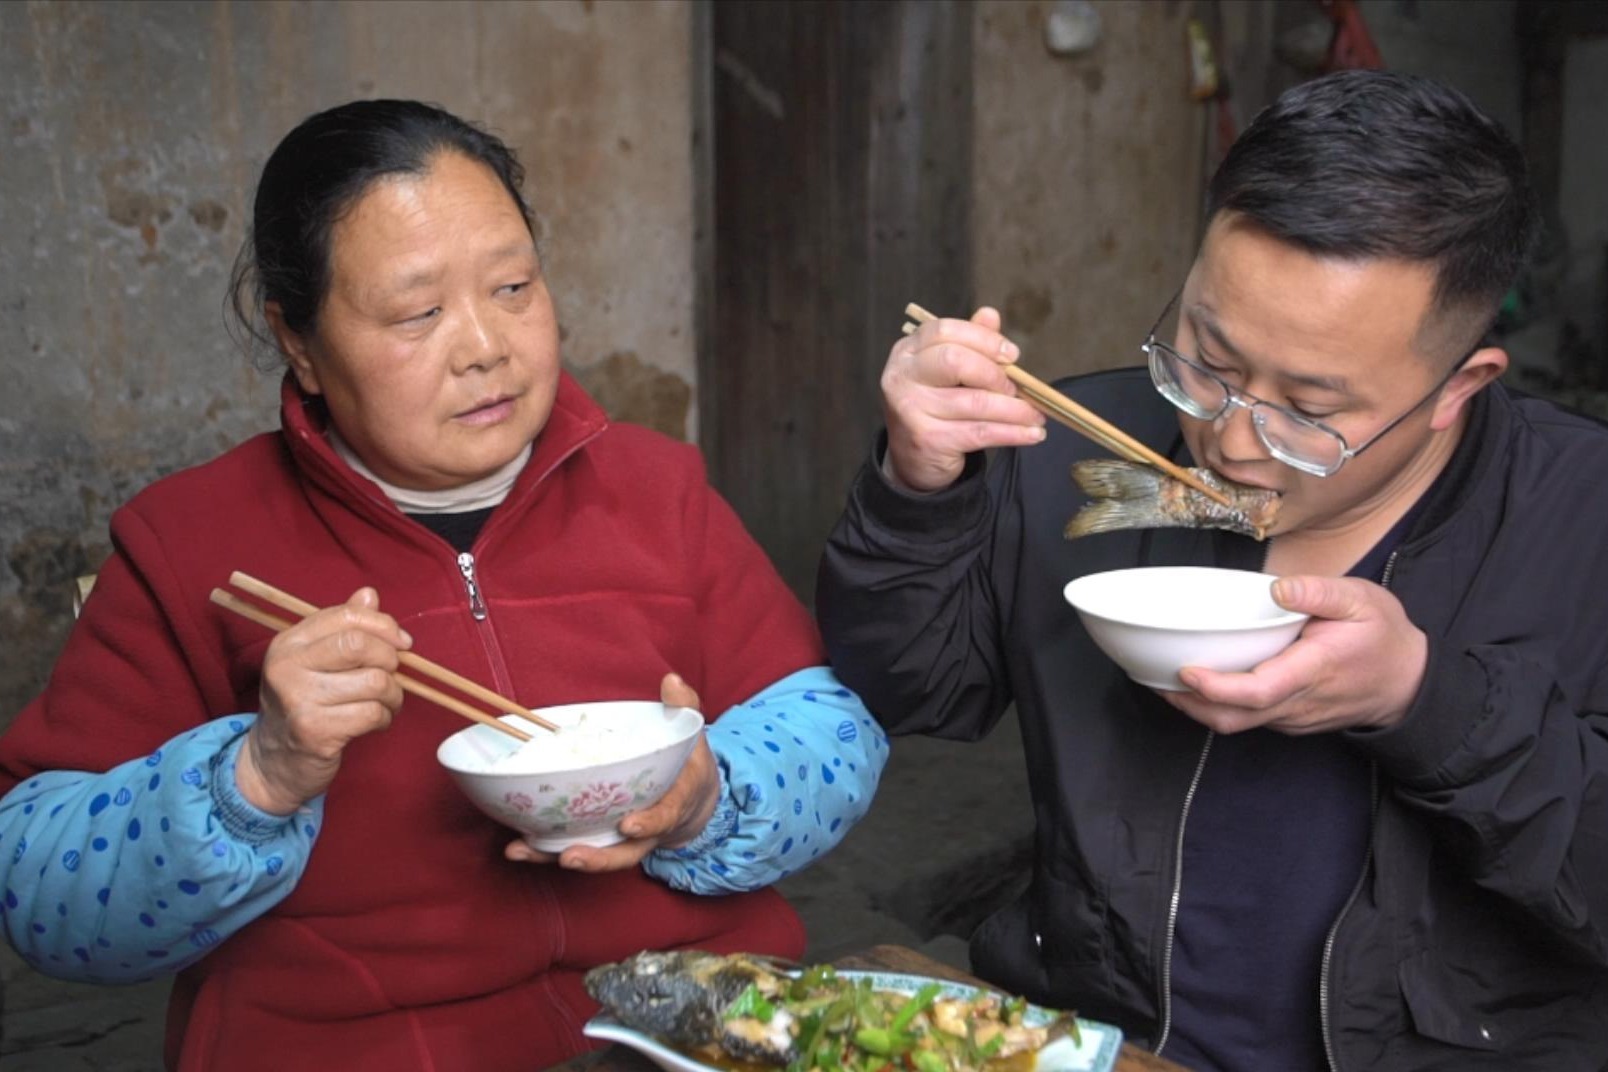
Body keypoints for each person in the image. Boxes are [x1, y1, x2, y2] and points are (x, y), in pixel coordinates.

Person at [0, 99, 887, 1072]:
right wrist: (254, 776)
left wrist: (707, 797)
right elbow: (35, 889)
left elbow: (832, 730)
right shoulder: (195, 545)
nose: (485, 345)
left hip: (694, 1031)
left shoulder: (653, 486)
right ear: (297, 339)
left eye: (513, 285)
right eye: (418, 313)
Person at [817, 69, 1608, 1071]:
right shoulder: (1081, 452)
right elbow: (906, 685)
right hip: (1097, 1047)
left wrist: (1426, 702)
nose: (1229, 442)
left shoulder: (1579, 520)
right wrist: (914, 490)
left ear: (1460, 387)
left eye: (1310, 409)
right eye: (1207, 356)